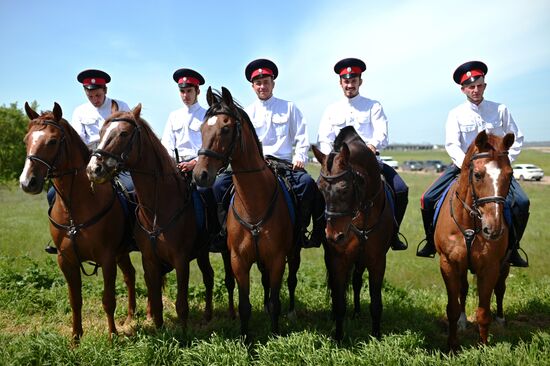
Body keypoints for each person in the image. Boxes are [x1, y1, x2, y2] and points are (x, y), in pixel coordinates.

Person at [416, 60, 529, 267]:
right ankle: (430, 243)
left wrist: (502, 165)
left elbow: (517, 138)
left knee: (522, 202)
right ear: (463, 89)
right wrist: (466, 167)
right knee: (428, 198)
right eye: (471, 86)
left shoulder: (501, 110)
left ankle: (513, 248)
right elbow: (452, 144)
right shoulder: (456, 114)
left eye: (479, 85)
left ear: (484, 86)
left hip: (495, 172)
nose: (475, 90)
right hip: (464, 168)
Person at [212, 58, 326, 248]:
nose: (262, 86)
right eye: (258, 83)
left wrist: (299, 157)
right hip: (253, 165)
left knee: (307, 184)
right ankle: (224, 233)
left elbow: (301, 135)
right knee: (218, 186)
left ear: (273, 83)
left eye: (266, 82)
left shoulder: (289, 107)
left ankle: (301, 230)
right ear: (253, 86)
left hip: (283, 164)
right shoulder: (246, 113)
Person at [317, 57, 409, 251]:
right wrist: (328, 159)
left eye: (353, 80)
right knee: (319, 191)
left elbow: (381, 133)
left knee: (401, 189)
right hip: (339, 167)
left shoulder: (373, 106)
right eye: (346, 81)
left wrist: (372, 146)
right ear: (340, 83)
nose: (349, 85)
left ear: (360, 81)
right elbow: (324, 137)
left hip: (369, 164)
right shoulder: (332, 109)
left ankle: (393, 234)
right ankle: (320, 231)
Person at [44, 69, 133, 254]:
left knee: (131, 191)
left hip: (115, 164)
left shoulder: (121, 105)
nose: (95, 99)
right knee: (53, 193)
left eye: (98, 94)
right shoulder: (80, 112)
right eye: (90, 95)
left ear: (105, 90)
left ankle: (131, 235)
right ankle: (61, 235)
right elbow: (79, 142)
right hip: (89, 164)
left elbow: (128, 136)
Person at [161, 68, 221, 249]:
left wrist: (194, 162)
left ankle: (214, 232)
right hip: (176, 167)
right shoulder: (174, 116)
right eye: (182, 91)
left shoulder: (207, 114)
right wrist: (173, 164)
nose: (185, 95)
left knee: (207, 191)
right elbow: (166, 144)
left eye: (189, 91)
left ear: (197, 91)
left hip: (200, 165)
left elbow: (211, 145)